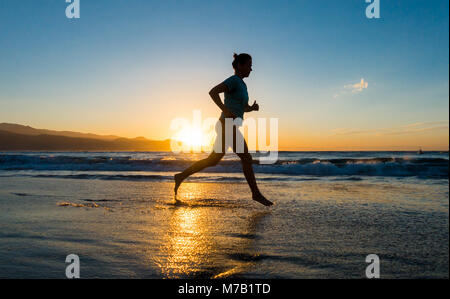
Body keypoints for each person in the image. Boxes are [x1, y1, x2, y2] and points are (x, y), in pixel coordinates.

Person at [174, 53, 273, 206]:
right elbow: (213, 92)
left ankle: (181, 176)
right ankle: (256, 193)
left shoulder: (243, 85)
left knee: (212, 160)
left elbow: (241, 107)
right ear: (239, 66)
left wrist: (251, 108)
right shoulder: (233, 80)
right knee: (246, 158)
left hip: (227, 125)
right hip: (227, 125)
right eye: (248, 65)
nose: (251, 69)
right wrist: (224, 109)